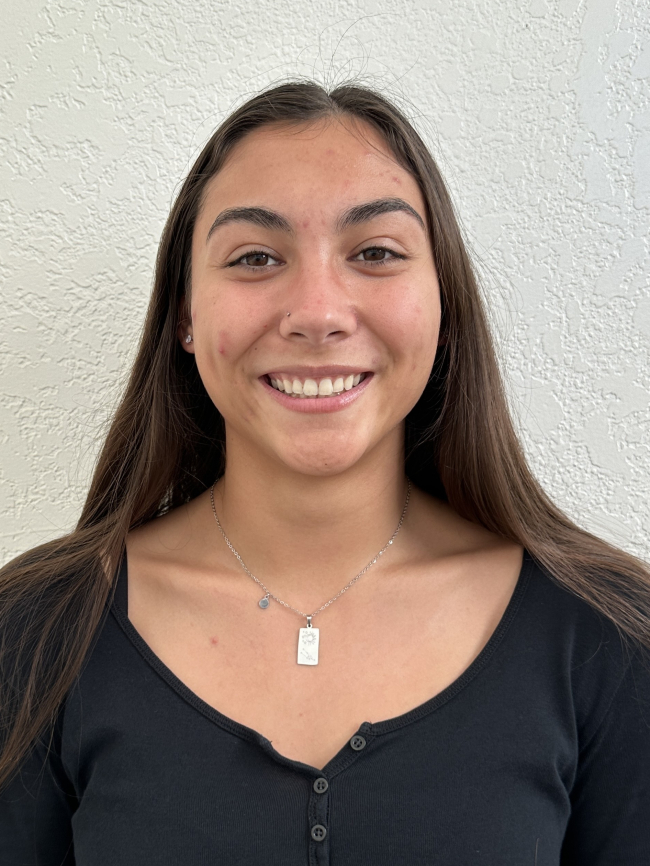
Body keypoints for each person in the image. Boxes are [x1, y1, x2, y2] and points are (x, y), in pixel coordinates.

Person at [0, 79, 649, 865]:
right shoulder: (36, 634)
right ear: (185, 317)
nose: (318, 310)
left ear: (444, 309)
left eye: (375, 252)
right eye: (255, 257)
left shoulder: (609, 638)